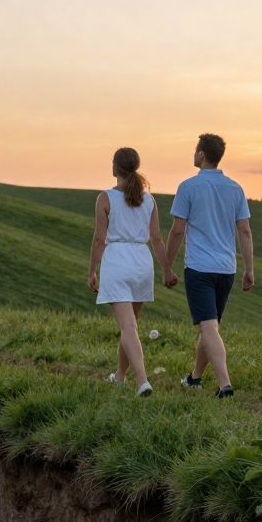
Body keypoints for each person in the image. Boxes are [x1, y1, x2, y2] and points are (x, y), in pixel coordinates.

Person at [162, 132, 254, 397]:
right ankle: (194, 378)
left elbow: (177, 231)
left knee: (208, 326)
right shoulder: (235, 188)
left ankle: (225, 384)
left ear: (202, 154)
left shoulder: (188, 187)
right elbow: (245, 231)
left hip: (200, 268)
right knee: (209, 325)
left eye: (195, 149)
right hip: (227, 268)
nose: (193, 153)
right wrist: (249, 269)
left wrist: (167, 266)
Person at [89, 147, 165, 396]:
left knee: (128, 327)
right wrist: (167, 269)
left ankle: (142, 381)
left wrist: (92, 271)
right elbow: (156, 237)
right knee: (129, 326)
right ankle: (120, 376)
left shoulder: (105, 198)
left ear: (114, 168)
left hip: (117, 262)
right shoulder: (149, 200)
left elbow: (99, 239)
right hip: (142, 263)